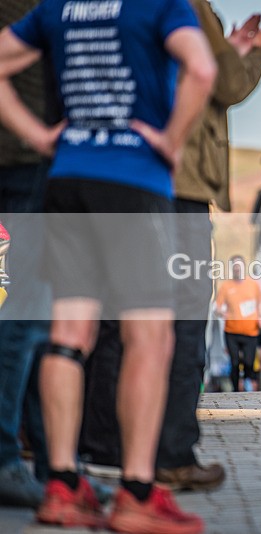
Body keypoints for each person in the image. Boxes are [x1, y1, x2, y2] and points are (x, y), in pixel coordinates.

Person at [0, 0, 217, 531]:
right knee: (150, 338)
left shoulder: (59, 8)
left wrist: (35, 134)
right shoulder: (162, 5)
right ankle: (136, 495)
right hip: (133, 184)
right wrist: (172, 140)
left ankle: (61, 487)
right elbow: (204, 69)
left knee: (68, 335)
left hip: (67, 178)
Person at [79, 5, 261, 492]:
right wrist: (255, 57)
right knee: (183, 320)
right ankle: (171, 453)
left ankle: (106, 448)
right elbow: (224, 82)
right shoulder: (187, 5)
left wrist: (232, 47)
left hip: (117, 173)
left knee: (117, 317)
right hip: (179, 184)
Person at [0, 0, 52, 508]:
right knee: (31, 311)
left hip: (27, 156)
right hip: (25, 159)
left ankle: (54, 465)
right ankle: (9, 461)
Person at [215, 256, 261, 392]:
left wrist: (260, 316)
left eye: (239, 267)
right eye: (235, 267)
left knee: (249, 362)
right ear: (232, 269)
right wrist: (221, 313)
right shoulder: (226, 286)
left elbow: (259, 303)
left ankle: (248, 384)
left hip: (250, 331)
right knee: (235, 362)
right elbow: (217, 307)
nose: (237, 269)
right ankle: (236, 390)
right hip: (231, 331)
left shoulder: (253, 285)